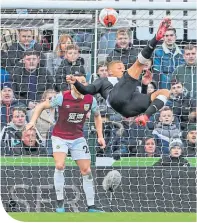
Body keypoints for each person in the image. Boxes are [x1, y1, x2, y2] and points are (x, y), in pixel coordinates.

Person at [66, 18, 171, 126]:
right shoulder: (103, 80)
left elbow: (140, 97)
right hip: (115, 99)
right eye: (119, 68)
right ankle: (156, 38)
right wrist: (76, 82)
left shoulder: (126, 81)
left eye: (123, 67)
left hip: (130, 109)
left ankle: (146, 116)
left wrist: (144, 85)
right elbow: (86, 90)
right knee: (138, 64)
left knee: (165, 92)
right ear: (110, 72)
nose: (123, 69)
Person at [25, 73, 106, 212]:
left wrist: (100, 136)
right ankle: (60, 203)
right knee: (60, 165)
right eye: (78, 81)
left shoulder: (90, 100)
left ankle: (91, 206)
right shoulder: (62, 97)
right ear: (72, 84)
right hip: (60, 137)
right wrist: (32, 122)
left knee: (86, 170)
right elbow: (40, 106)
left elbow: (97, 116)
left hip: (78, 138)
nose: (82, 84)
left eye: (84, 82)